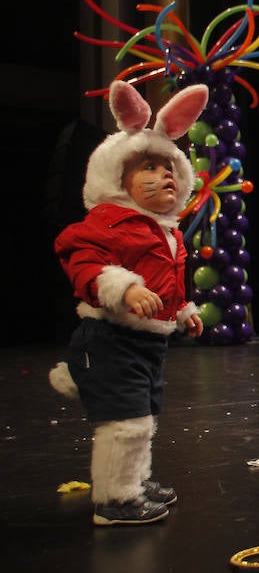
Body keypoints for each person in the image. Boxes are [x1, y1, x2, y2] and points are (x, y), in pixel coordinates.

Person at [48, 80, 207, 525]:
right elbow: (80, 260)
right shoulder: (108, 221)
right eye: (149, 168)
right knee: (124, 424)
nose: (165, 175)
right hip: (110, 339)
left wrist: (182, 311)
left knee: (142, 418)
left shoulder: (166, 230)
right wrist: (123, 287)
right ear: (116, 177)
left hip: (145, 344)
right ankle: (115, 500)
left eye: (170, 168)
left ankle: (133, 482)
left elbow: (167, 280)